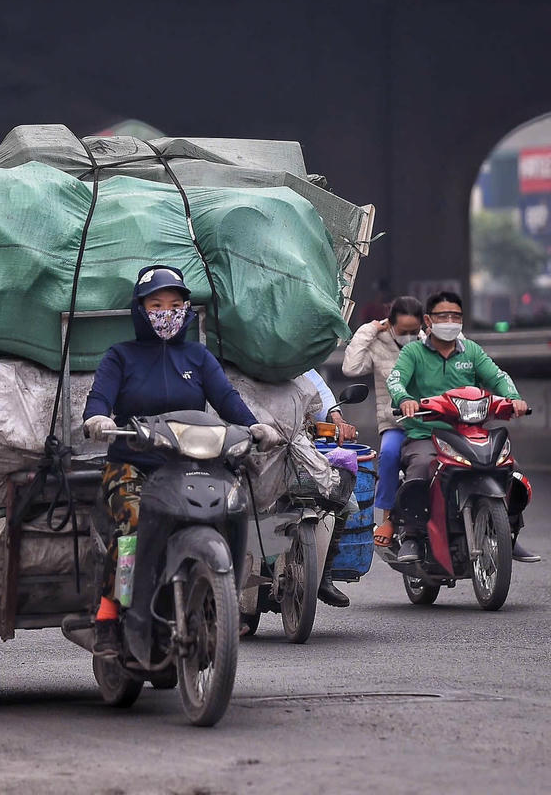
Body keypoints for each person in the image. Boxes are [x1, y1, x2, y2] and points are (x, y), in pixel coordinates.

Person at [82, 265, 278, 657]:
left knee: (226, 508)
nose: (166, 312)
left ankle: (217, 597)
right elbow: (99, 400)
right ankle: (108, 616)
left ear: (186, 309)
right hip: (133, 465)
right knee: (133, 524)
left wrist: (254, 426)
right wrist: (98, 419)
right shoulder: (120, 356)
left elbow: (227, 400)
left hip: (191, 466)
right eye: (156, 304)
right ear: (140, 309)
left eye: (174, 304)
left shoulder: (198, 356)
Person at [385, 292, 539, 564]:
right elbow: (395, 380)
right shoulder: (413, 352)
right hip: (426, 435)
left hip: (468, 433)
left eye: (455, 316)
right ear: (428, 321)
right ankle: (412, 535)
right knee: (421, 468)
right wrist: (405, 399)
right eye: (443, 316)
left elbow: (498, 377)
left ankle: (509, 532)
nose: (450, 321)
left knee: (509, 469)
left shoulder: (472, 351)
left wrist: (514, 399)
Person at [340, 295, 425, 542]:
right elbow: (351, 368)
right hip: (395, 422)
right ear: (390, 324)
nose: (409, 336)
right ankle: (388, 517)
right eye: (403, 331)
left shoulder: (429, 343)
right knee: (388, 455)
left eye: (414, 330)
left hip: (430, 421)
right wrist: (370, 329)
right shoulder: (378, 344)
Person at [296, 368, 360, 608]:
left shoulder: (299, 362)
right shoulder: (244, 362)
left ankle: (324, 574)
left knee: (342, 496)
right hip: (258, 444)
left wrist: (337, 420)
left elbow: (321, 394)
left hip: (300, 446)